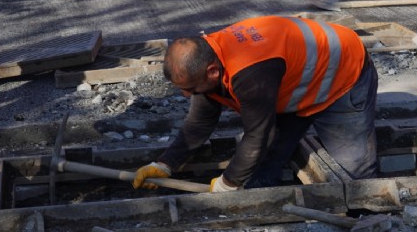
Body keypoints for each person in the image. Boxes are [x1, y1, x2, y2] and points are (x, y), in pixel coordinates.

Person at [132, 15, 378, 192]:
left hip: (343, 73)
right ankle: (262, 192)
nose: (187, 95)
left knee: (352, 171)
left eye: (191, 89)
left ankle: (368, 214)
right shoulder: (208, 58)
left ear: (212, 72)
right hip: (295, 82)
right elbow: (199, 122)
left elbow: (258, 135)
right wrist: (165, 164)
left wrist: (227, 184)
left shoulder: (250, 73)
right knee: (265, 160)